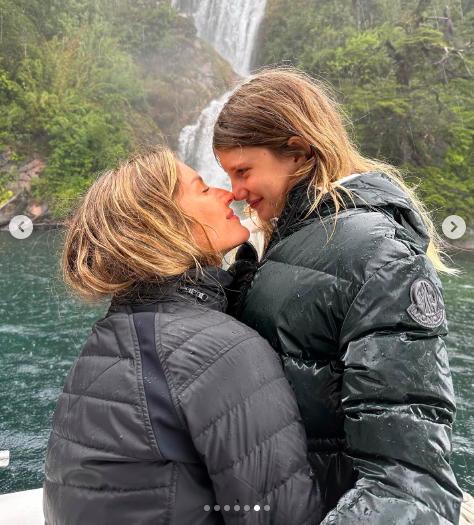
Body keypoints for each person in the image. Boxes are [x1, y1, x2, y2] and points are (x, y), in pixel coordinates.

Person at [213, 68, 464, 525]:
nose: (235, 193)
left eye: (243, 171)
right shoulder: (284, 244)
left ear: (297, 152)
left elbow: (410, 481)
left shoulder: (380, 257)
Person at [42, 147, 322, 525]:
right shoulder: (221, 349)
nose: (230, 194)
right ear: (165, 224)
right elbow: (282, 517)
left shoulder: (108, 338)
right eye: (204, 189)